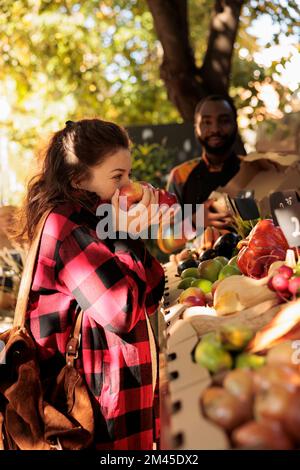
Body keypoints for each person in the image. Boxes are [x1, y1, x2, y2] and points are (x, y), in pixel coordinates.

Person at [16, 119, 165, 450]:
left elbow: (153, 290)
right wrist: (125, 233)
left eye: (128, 174)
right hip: (95, 412)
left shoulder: (98, 219)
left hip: (120, 400)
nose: (128, 185)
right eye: (117, 177)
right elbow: (124, 310)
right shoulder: (66, 225)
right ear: (78, 178)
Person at [166, 94, 280, 231]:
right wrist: (194, 221)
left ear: (235, 124)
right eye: (207, 122)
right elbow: (163, 238)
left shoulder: (256, 170)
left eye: (224, 121)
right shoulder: (180, 176)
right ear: (196, 127)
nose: (215, 130)